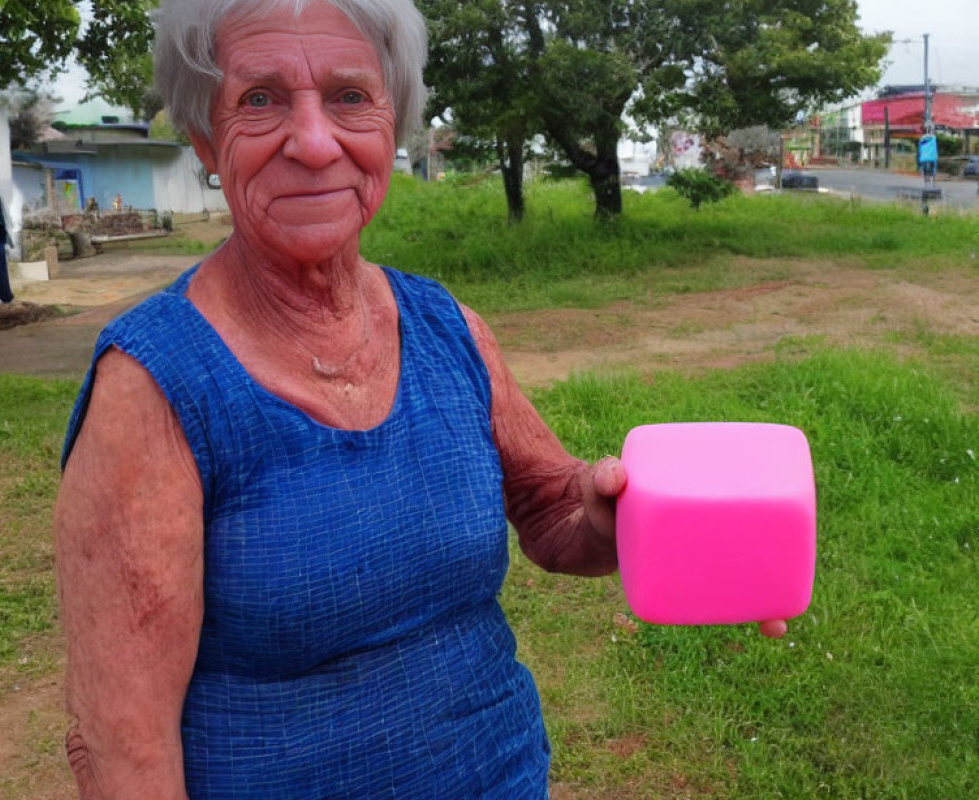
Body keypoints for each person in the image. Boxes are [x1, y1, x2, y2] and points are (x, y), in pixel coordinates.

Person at [53, 1, 785, 798]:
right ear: (203, 139)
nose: (314, 140)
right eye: (259, 99)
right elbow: (123, 752)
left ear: (390, 125)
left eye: (348, 96)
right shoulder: (153, 386)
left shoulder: (447, 329)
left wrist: (628, 520)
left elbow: (550, 507)